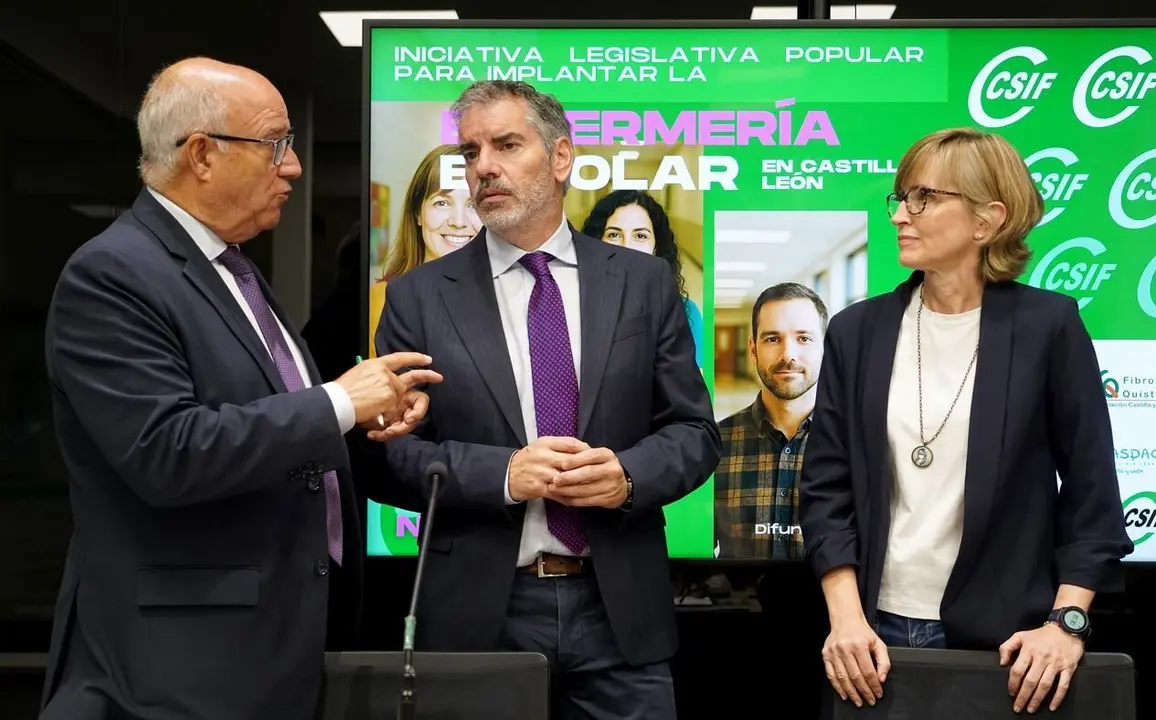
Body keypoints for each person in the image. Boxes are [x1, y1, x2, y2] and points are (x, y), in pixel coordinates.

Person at [38, 57, 442, 720]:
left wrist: (368, 416)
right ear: (201, 154)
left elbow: (270, 429)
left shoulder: (234, 270)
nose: (294, 167)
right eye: (277, 144)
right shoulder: (113, 274)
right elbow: (167, 453)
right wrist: (340, 400)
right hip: (179, 675)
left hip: (269, 656)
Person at [368, 79, 721, 719]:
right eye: (471, 152)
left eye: (506, 144)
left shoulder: (641, 283)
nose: (485, 167)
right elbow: (386, 460)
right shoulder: (418, 297)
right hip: (481, 612)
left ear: (561, 158)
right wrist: (501, 475)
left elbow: (695, 434)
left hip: (621, 611)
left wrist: (628, 477)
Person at [798, 127, 1133, 715]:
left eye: (924, 197)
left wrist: (1067, 624)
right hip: (871, 639)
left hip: (1011, 645)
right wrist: (846, 619)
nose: (902, 214)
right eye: (900, 197)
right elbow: (826, 492)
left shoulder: (1047, 327)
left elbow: (1093, 497)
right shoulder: (858, 331)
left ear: (987, 220)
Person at [715, 282, 827, 560]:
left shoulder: (854, 442)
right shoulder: (715, 444)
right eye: (772, 339)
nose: (788, 355)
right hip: (739, 603)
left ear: (826, 347)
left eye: (804, 338)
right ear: (753, 349)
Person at [367, 144, 483, 356]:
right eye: (442, 203)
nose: (458, 221)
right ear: (418, 213)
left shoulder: (509, 294)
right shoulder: (384, 299)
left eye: (473, 205)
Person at [580, 189, 705, 367]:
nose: (626, 247)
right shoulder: (574, 306)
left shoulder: (685, 313)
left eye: (640, 236)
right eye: (614, 235)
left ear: (656, 248)